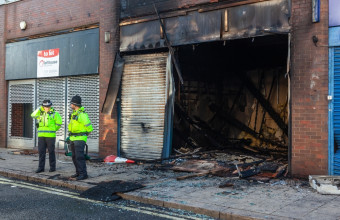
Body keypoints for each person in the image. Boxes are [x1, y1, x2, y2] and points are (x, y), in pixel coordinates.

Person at [31, 100, 62, 173]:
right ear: (43, 106)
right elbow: (32, 115)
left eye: (48, 106)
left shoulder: (55, 113)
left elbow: (59, 123)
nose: (47, 108)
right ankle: (41, 168)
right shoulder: (40, 113)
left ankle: (52, 167)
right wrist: (39, 108)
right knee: (41, 152)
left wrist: (53, 129)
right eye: (45, 107)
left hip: (50, 136)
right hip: (41, 136)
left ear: (50, 106)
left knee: (51, 152)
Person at [68, 95, 93, 180]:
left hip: (79, 139)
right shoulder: (74, 114)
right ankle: (78, 172)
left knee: (79, 157)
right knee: (74, 157)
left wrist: (84, 135)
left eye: (71, 103)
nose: (70, 105)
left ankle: (83, 174)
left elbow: (89, 128)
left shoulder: (82, 114)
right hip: (73, 138)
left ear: (75, 104)